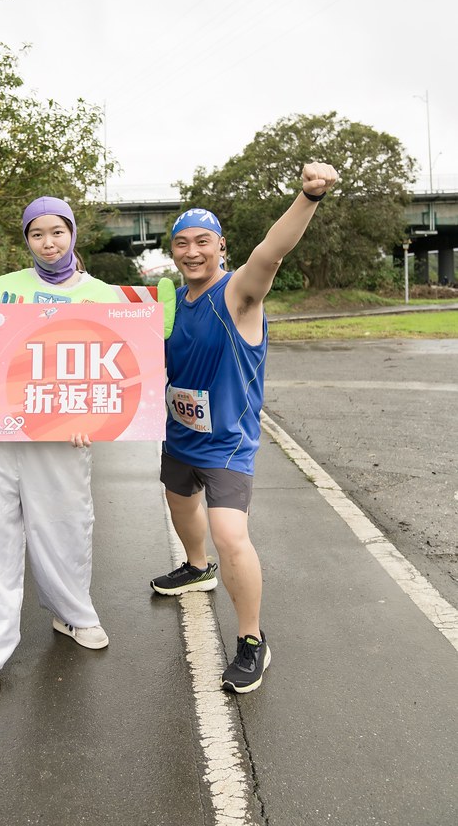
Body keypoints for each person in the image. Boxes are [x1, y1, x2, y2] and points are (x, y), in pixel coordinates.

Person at [150, 162, 339, 694]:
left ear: (222, 247)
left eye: (202, 242)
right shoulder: (172, 304)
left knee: (232, 534)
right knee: (178, 502)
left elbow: (270, 254)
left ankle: (253, 639)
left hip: (227, 442)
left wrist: (307, 198)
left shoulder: (238, 294)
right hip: (180, 433)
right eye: (182, 243)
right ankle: (195, 567)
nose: (192, 252)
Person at [0, 196, 117, 701]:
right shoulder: (0, 288)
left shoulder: (103, 295)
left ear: (73, 234)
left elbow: (119, 371)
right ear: (26, 239)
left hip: (61, 432)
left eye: (57, 231)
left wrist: (96, 418)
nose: (48, 242)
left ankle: (72, 612)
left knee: (65, 522)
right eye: (37, 234)